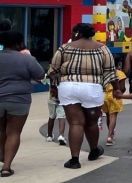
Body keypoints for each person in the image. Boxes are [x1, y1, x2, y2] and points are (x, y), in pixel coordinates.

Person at [46, 22, 118, 169]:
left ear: (78, 33)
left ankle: (74, 160)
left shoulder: (64, 48)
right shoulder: (102, 48)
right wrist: (116, 89)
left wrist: (54, 86)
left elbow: (53, 70)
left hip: (68, 87)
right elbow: (111, 71)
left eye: (73, 32)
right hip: (93, 88)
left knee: (76, 123)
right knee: (91, 122)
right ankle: (93, 151)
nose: (71, 35)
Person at [0, 31, 46, 176]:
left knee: (3, 130)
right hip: (19, 99)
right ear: (18, 44)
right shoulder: (27, 59)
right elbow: (40, 75)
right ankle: (6, 167)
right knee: (14, 132)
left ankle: (2, 155)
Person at [102, 69, 127, 145]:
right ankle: (109, 136)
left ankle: (111, 133)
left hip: (105, 96)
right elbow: (122, 87)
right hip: (114, 94)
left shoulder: (104, 73)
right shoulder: (120, 73)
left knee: (108, 115)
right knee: (113, 116)